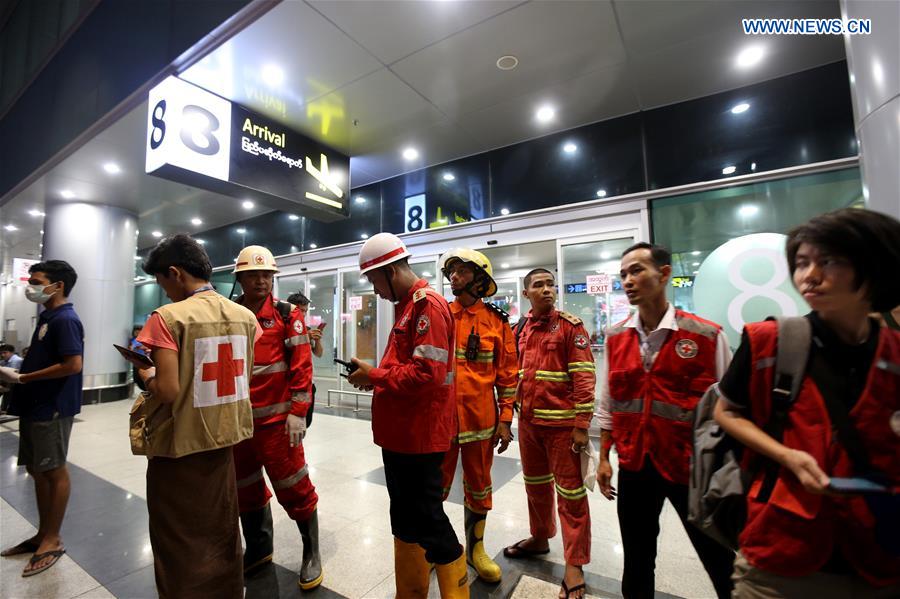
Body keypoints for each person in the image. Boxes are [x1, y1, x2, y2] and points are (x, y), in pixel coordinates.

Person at [714, 208, 900, 597]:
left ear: (873, 267)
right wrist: (787, 455)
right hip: (781, 546)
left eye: (829, 261)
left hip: (879, 548)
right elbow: (726, 411)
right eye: (801, 263)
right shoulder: (769, 340)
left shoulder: (894, 351)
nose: (809, 276)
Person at [595, 242, 734, 599]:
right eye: (623, 274)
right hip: (636, 464)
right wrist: (603, 458)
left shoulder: (706, 336)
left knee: (718, 556)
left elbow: (733, 407)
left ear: (665, 274)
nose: (628, 280)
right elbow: (609, 402)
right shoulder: (616, 338)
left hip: (691, 469)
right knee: (638, 559)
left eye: (637, 270)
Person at [132, 234, 257, 598]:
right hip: (223, 440)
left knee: (178, 541)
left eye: (161, 282)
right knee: (221, 529)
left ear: (175, 273)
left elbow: (168, 391)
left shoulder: (166, 319)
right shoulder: (245, 316)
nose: (164, 292)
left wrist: (146, 374)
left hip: (179, 448)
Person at [346, 233, 467, 598]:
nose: (375, 289)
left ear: (391, 270)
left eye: (373, 280)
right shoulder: (406, 309)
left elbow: (427, 374)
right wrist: (376, 379)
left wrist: (375, 376)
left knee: (430, 522)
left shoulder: (426, 306)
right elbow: (405, 369)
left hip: (419, 438)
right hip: (400, 436)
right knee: (405, 520)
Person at [231, 246, 322, 590]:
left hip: (278, 426)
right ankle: (258, 549)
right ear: (239, 278)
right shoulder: (231, 313)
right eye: (254, 275)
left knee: (294, 486)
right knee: (245, 489)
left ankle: (311, 552)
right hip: (239, 425)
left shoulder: (288, 314)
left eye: (267, 274)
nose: (262, 281)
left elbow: (301, 364)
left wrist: (298, 413)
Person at [503, 268, 595, 599]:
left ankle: (575, 564)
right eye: (538, 285)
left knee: (571, 496)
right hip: (528, 424)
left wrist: (582, 426)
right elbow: (514, 373)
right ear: (526, 293)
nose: (547, 290)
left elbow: (584, 376)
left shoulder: (570, 327)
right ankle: (540, 538)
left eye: (550, 284)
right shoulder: (521, 329)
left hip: (563, 429)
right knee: (536, 488)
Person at [438, 248, 518, 583]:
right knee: (434, 487)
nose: (453, 276)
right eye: (451, 271)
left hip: (480, 421)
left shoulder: (498, 322)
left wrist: (505, 420)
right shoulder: (440, 314)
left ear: (479, 278)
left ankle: (476, 549)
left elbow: (508, 375)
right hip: (440, 422)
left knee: (480, 486)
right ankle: (436, 547)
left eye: (460, 270)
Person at [0, 261, 83, 577]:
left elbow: (72, 364)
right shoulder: (47, 317)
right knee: (37, 469)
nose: (30, 286)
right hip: (35, 406)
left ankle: (53, 537)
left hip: (53, 407)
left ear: (57, 285)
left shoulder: (65, 319)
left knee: (54, 469)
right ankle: (42, 532)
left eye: (36, 281)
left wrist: (24, 378)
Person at [287, 291, 324, 358]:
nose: (304, 314)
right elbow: (284, 347)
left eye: (305, 311)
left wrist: (317, 339)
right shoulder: (281, 326)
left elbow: (318, 354)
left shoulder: (306, 329)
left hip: (304, 367)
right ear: (291, 309)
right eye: (301, 310)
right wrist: (307, 337)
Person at [0, 344, 24, 414]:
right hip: (7, 382)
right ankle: (4, 409)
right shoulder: (3, 361)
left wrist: (4, 388)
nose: (2, 355)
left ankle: (6, 410)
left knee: (7, 392)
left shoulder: (16, 360)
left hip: (16, 383)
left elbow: (13, 377)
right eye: (1, 353)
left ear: (12, 352)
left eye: (5, 352)